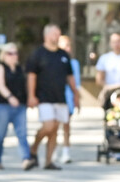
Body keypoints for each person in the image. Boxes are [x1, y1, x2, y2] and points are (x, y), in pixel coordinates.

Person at [26, 23, 80, 173]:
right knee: (48, 126)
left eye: (58, 34)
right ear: (46, 35)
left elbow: (70, 77)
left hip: (60, 98)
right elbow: (31, 76)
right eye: (54, 34)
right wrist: (31, 95)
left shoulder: (63, 55)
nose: (57, 36)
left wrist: (76, 94)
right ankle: (34, 148)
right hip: (44, 98)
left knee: (55, 129)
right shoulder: (38, 54)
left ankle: (49, 161)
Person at [0, 42, 34, 170]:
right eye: (10, 53)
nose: (14, 56)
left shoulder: (20, 69)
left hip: (20, 106)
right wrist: (9, 97)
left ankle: (26, 159)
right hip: (2, 106)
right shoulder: (0, 67)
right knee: (0, 134)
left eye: (15, 53)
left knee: (22, 133)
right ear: (3, 55)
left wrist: (29, 98)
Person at [56, 33, 84, 166]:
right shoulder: (54, 60)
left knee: (66, 125)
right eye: (64, 46)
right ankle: (53, 150)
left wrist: (76, 98)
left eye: (68, 46)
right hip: (55, 97)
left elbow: (76, 84)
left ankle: (66, 152)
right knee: (53, 126)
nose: (67, 48)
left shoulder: (74, 63)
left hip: (68, 98)